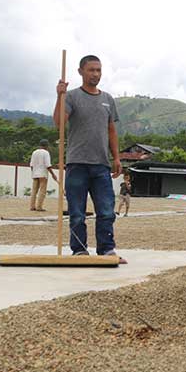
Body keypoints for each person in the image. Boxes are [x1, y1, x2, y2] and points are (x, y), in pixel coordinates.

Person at [54, 55, 123, 258]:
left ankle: (107, 249)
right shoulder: (72, 96)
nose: (95, 74)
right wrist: (60, 96)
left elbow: (111, 130)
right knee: (77, 213)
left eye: (98, 70)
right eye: (91, 70)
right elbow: (59, 123)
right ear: (80, 72)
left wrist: (116, 158)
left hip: (101, 164)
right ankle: (79, 250)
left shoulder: (107, 100)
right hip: (77, 164)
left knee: (107, 211)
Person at [29, 139, 57, 211]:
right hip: (43, 174)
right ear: (46, 146)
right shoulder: (46, 153)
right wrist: (53, 174)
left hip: (35, 173)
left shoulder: (34, 152)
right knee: (42, 191)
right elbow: (48, 165)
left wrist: (33, 172)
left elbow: (31, 165)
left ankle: (32, 206)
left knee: (34, 191)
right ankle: (39, 207)